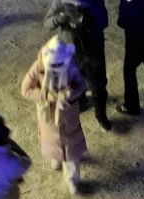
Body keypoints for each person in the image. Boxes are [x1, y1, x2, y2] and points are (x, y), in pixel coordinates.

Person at [20, 37, 87, 196]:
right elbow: (25, 89)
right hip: (47, 113)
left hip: (67, 113)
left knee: (70, 145)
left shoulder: (71, 65)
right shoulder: (38, 67)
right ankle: (56, 157)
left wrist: (70, 94)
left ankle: (72, 179)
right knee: (51, 140)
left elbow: (82, 85)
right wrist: (44, 96)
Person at [45, 0, 111, 131]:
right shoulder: (60, 2)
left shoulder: (95, 0)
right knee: (75, 80)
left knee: (98, 84)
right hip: (71, 51)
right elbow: (47, 23)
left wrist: (86, 21)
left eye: (78, 4)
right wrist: (58, 19)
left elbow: (104, 22)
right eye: (72, 4)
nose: (75, 7)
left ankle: (101, 115)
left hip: (93, 49)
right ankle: (81, 101)